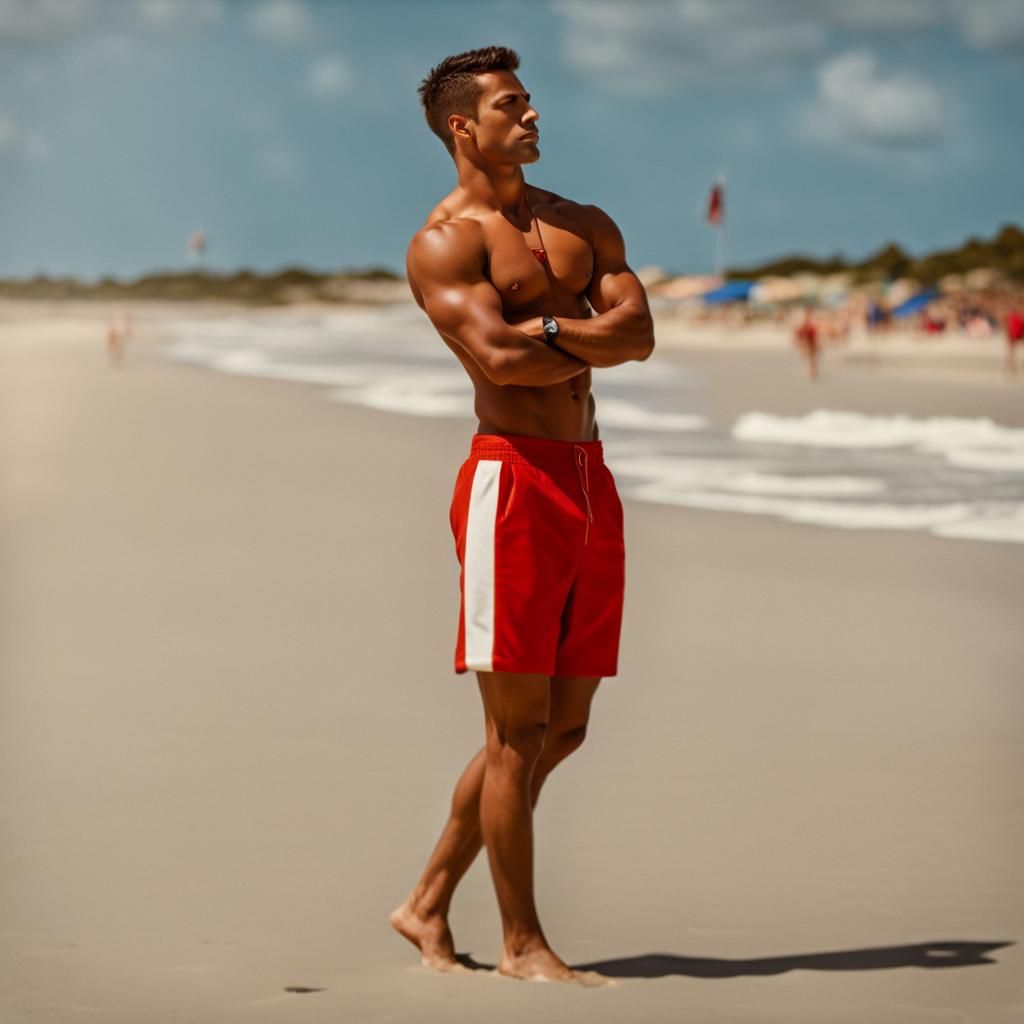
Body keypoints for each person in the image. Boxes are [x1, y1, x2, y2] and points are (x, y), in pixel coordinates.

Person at [389, 46, 654, 986]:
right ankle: (519, 945)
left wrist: (548, 331)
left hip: (589, 478)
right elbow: (501, 364)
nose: (533, 116)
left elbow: (641, 335)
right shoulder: (445, 241)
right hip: (512, 482)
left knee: (564, 729)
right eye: (512, 104)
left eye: (531, 101)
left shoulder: (582, 224)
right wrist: (576, 339)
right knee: (515, 733)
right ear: (465, 125)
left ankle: (424, 903)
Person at [793, 306, 819, 380]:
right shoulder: (803, 321)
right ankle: (811, 371)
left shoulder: (812, 321)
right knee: (810, 358)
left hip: (811, 340)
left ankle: (811, 371)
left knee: (811, 357)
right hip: (806, 341)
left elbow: (816, 332)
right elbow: (797, 333)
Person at [1005, 307, 1024, 375]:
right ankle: (1011, 367)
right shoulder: (1017, 318)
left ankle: (1010, 367)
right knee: (1011, 353)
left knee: (1011, 353)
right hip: (1015, 336)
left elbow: (1009, 328)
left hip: (1013, 336)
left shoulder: (1013, 318)